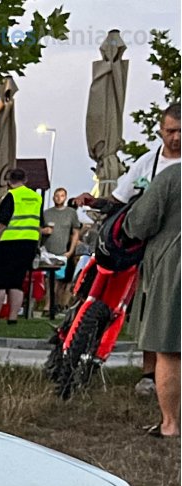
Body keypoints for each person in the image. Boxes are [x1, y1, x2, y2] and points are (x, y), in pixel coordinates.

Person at [114, 102, 180, 399]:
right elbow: (122, 198)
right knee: (153, 312)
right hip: (156, 252)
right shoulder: (149, 163)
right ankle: (149, 374)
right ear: (160, 130)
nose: (176, 137)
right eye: (171, 131)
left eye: (181, 131)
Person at [122, 161, 180, 437]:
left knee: (169, 346)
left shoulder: (172, 177)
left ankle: (170, 424)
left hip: (174, 268)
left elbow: (139, 224)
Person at [0, 168, 41, 324]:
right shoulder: (36, 198)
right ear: (26, 180)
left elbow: (2, 223)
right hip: (29, 243)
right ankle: (13, 318)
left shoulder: (11, 197)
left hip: (8, 242)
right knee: (17, 282)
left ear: (8, 181)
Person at [40, 187, 81, 311]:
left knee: (58, 280)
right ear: (53, 197)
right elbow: (37, 228)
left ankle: (53, 305)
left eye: (62, 196)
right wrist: (43, 231)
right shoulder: (46, 213)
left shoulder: (71, 214)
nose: (59, 198)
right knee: (48, 280)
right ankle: (49, 305)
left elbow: (75, 232)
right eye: (57, 196)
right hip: (46, 251)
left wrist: (71, 251)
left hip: (62, 252)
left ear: (65, 197)